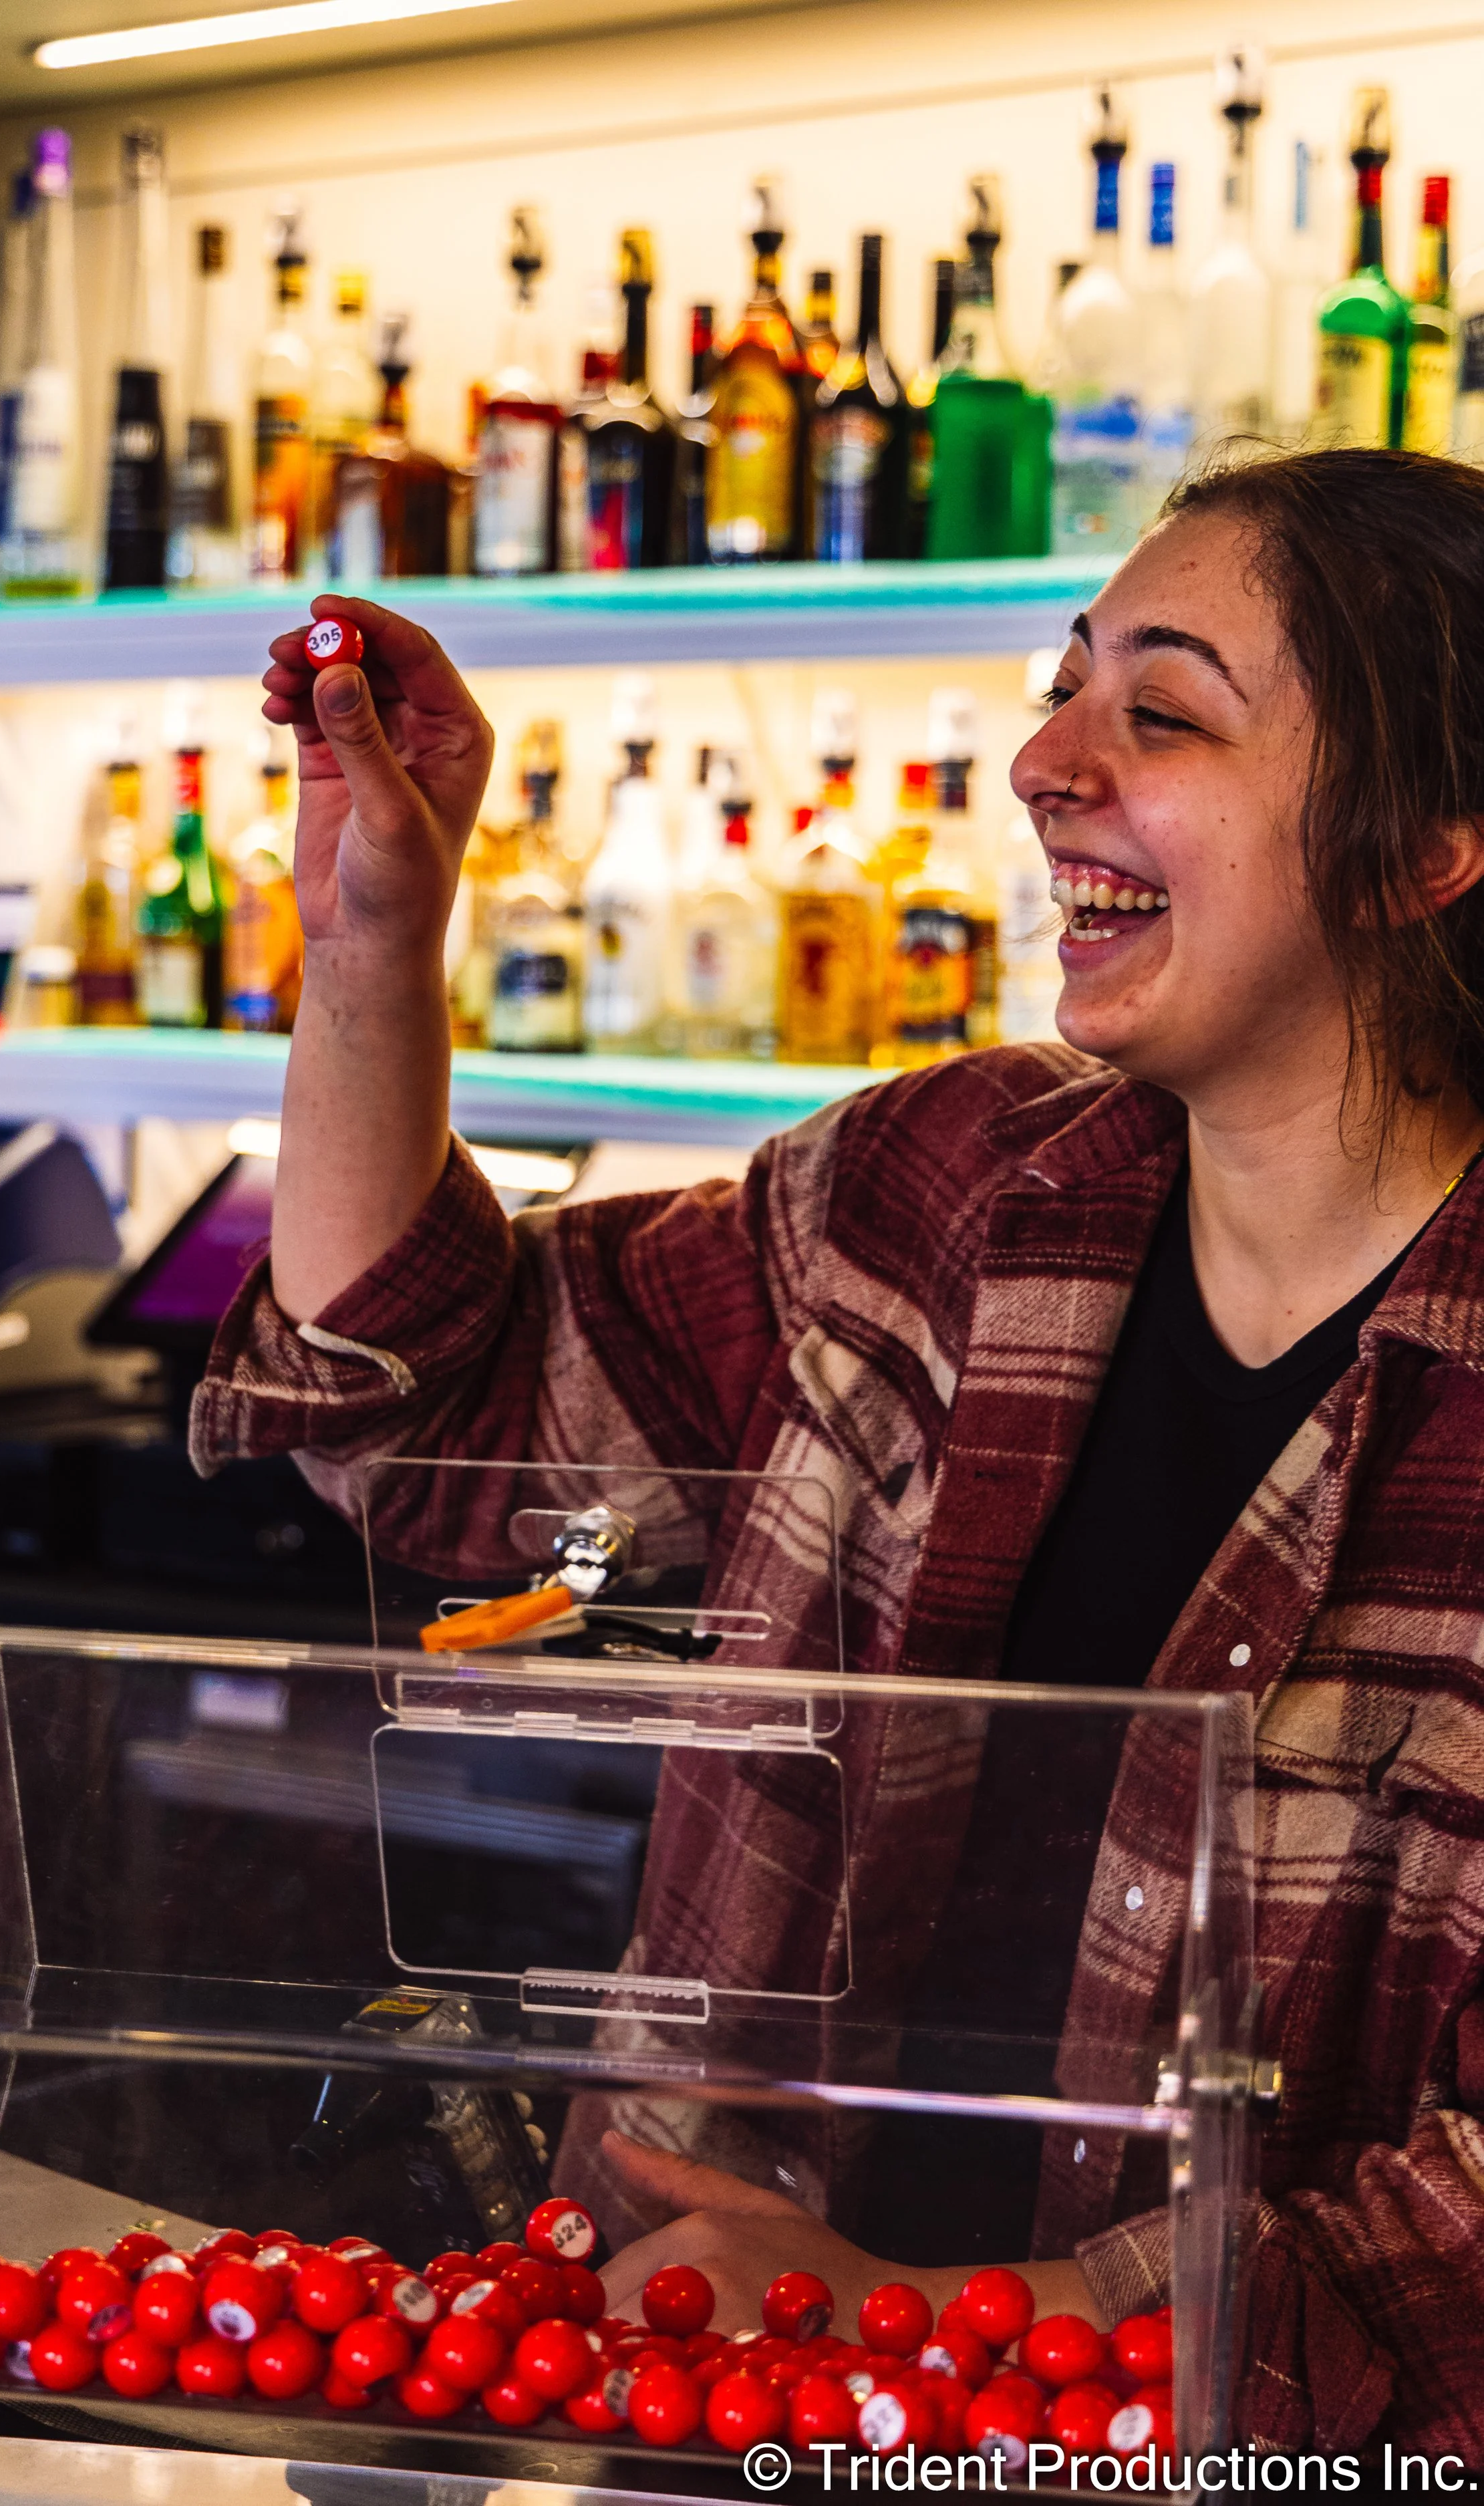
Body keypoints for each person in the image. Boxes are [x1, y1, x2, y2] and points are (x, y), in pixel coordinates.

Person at [192, 448, 1484, 2457]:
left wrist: (959, 2336)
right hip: (685, 2405)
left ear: (1427, 845)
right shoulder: (946, 1188)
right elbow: (422, 1413)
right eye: (1065, 684)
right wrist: (373, 929)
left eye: (1160, 709)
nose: (1044, 760)